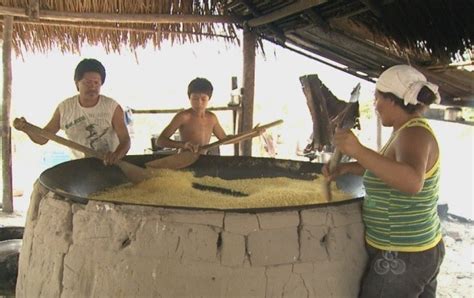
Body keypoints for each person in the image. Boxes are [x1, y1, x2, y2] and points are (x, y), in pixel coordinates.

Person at [323, 65, 444, 298]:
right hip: (415, 249)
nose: (375, 106)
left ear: (391, 100)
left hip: (403, 253)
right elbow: (387, 169)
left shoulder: (414, 134)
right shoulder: (404, 131)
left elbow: (411, 181)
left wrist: (358, 150)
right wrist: (346, 168)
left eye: (377, 98)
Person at [19, 58, 130, 165]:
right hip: (79, 169)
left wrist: (115, 155)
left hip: (110, 166)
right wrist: (26, 128)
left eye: (96, 83)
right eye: (87, 82)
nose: (92, 87)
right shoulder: (64, 109)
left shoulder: (112, 107)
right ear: (77, 83)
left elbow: (125, 140)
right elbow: (42, 138)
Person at [156, 77, 227, 153]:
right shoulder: (183, 117)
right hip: (184, 160)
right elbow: (160, 141)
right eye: (195, 99)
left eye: (203, 99)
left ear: (209, 98)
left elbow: (225, 139)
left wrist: (239, 136)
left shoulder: (212, 118)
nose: (199, 103)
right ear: (189, 98)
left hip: (204, 159)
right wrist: (183, 145)